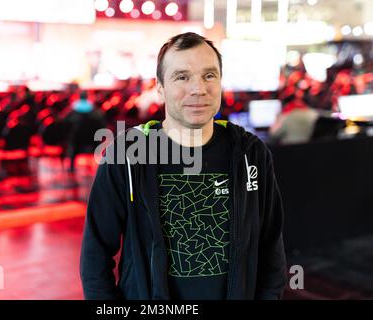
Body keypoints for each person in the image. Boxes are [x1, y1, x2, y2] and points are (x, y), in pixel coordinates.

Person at [80, 32, 287, 300]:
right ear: (160, 87)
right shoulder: (128, 155)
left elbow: (271, 246)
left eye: (209, 75)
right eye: (182, 77)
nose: (198, 89)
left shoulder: (250, 153)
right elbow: (95, 257)